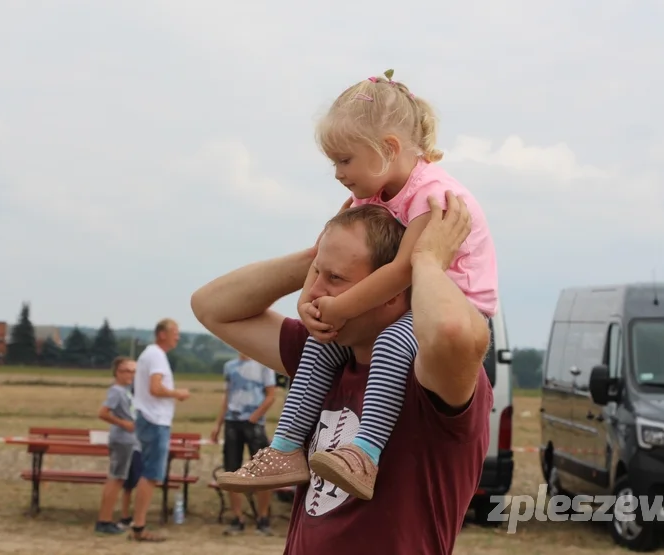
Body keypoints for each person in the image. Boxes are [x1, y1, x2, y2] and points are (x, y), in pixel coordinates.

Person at [213, 69, 498, 502]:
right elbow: (327, 246)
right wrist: (310, 302)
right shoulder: (375, 193)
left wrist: (341, 308)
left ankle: (364, 452)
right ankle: (288, 447)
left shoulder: (432, 195)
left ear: (388, 149)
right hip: (410, 301)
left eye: (344, 160)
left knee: (389, 344)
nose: (337, 173)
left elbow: (405, 269)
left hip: (453, 304)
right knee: (319, 342)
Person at [190, 194, 492, 554]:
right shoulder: (324, 357)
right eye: (317, 274)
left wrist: (424, 262)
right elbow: (211, 307)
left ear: (391, 293)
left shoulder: (430, 377)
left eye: (335, 278)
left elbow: (455, 333)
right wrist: (314, 257)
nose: (313, 293)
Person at [128, 318, 191, 542]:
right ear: (162, 334)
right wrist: (178, 393)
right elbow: (155, 388)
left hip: (149, 419)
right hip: (155, 421)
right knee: (151, 474)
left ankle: (138, 523)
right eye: (175, 332)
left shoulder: (150, 354)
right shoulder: (156, 355)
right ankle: (139, 526)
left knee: (151, 473)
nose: (178, 336)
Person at [210, 352, 277, 536]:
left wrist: (254, 416)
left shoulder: (264, 364)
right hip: (232, 423)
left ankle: (263, 518)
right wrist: (218, 423)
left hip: (254, 423)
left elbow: (271, 395)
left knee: (263, 471)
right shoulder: (230, 366)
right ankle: (237, 518)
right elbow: (227, 397)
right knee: (232, 471)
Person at [94, 356, 143, 534]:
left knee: (119, 479)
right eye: (126, 371)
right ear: (117, 372)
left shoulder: (126, 390)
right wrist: (124, 424)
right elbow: (103, 413)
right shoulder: (116, 391)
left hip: (129, 441)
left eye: (133, 371)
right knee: (116, 479)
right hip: (123, 440)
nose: (131, 375)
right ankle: (104, 520)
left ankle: (107, 520)